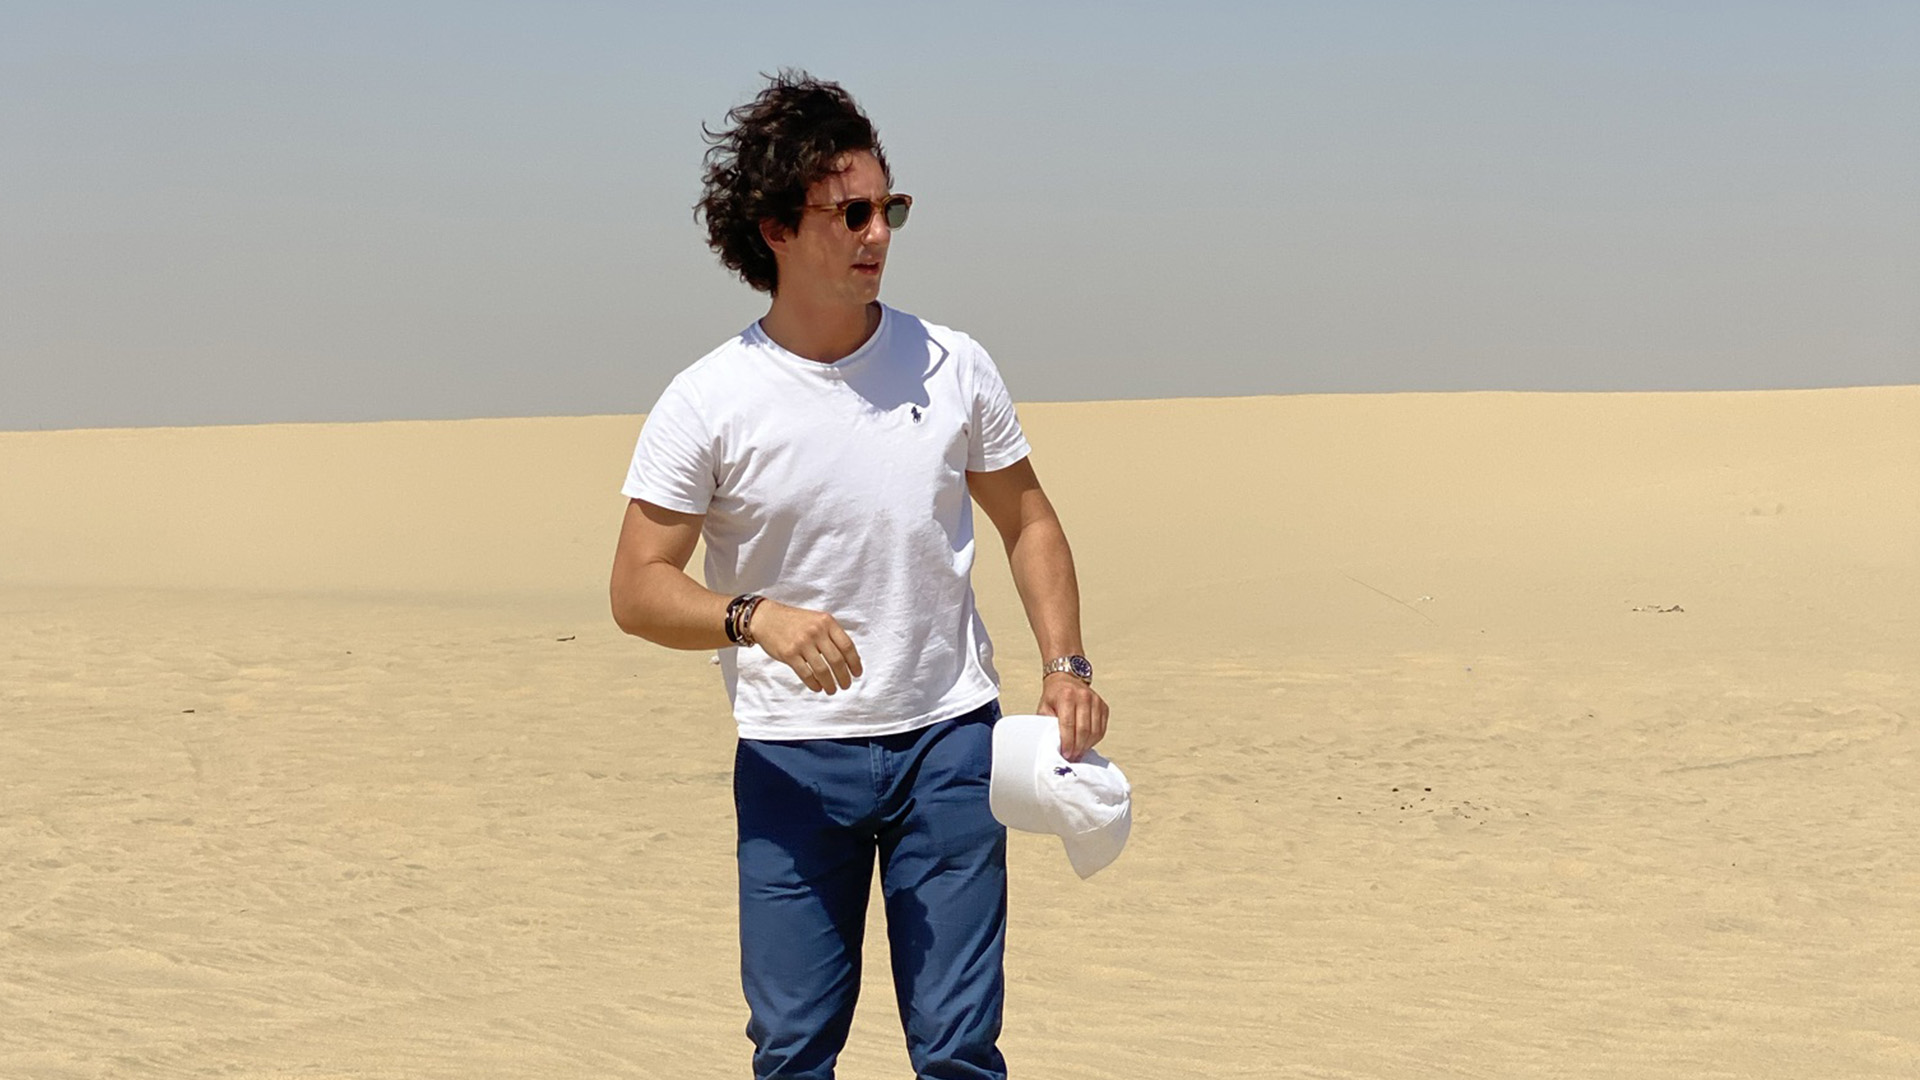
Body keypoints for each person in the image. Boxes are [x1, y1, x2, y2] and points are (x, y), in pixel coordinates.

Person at [609, 70, 1108, 1080]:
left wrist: (1067, 665)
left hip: (950, 747)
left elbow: (1030, 520)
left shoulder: (954, 365)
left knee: (959, 1050)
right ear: (776, 230)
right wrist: (753, 617)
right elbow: (637, 587)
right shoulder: (709, 400)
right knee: (793, 1049)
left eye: (890, 208)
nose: (878, 233)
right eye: (851, 213)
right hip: (793, 761)